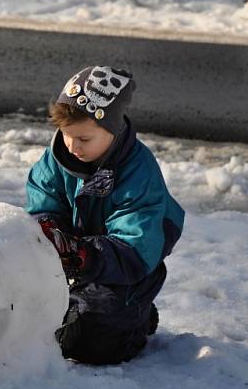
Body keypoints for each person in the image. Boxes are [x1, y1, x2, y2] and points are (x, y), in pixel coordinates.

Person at [25, 66, 184, 365]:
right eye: (67, 135)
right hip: (78, 261)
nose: (72, 146)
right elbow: (43, 200)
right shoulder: (58, 157)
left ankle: (138, 317)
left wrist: (84, 256)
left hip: (129, 267)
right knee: (39, 326)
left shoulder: (138, 171)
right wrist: (49, 228)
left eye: (84, 138)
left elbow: (135, 244)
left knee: (85, 343)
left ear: (113, 129)